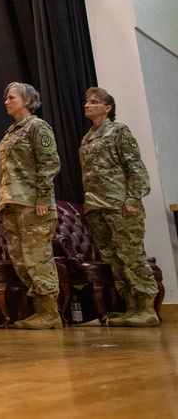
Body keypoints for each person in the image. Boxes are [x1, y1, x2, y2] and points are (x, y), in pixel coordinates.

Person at [80, 87, 159, 327]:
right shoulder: (87, 137)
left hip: (120, 206)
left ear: (108, 108)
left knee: (132, 255)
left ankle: (147, 308)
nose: (87, 105)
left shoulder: (119, 131)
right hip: (96, 206)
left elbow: (135, 166)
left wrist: (134, 199)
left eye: (94, 102)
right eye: (86, 101)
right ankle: (131, 307)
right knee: (113, 258)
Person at [0, 82, 62, 330]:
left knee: (38, 257)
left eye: (11, 97)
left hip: (33, 203)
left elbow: (49, 163)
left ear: (26, 101)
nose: (6, 101)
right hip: (12, 203)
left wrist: (44, 198)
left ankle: (50, 311)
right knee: (21, 259)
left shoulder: (37, 126)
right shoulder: (10, 132)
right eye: (6, 97)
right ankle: (40, 309)